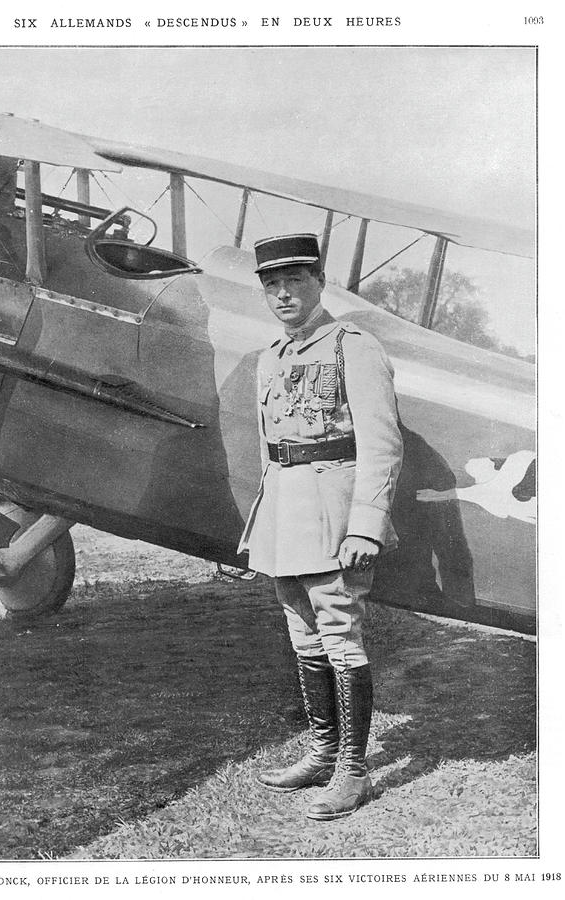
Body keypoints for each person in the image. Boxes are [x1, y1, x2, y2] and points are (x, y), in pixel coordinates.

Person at [238, 233, 403, 820]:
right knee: (303, 636)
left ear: (319, 283)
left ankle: (352, 772)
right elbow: (271, 450)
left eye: (295, 282)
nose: (283, 294)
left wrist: (366, 526)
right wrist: (264, 523)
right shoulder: (271, 356)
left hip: (334, 512)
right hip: (286, 512)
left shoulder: (352, 346)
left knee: (339, 635)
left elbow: (382, 446)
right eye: (272, 285)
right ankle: (321, 752)